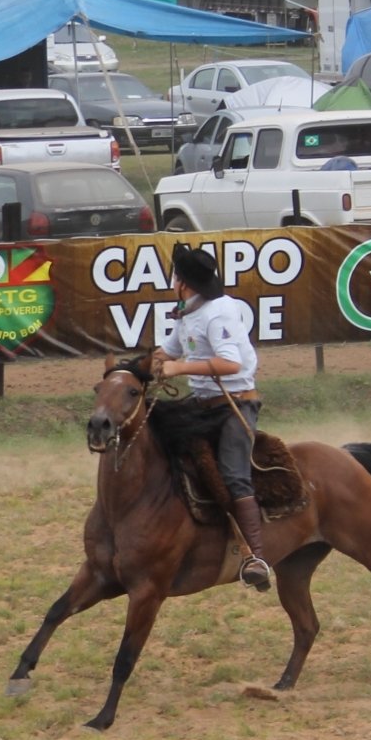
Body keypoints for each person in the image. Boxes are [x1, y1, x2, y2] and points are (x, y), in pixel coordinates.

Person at [155, 243, 268, 589]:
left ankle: (255, 556)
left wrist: (178, 368)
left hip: (234, 405)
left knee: (234, 474)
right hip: (203, 405)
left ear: (183, 283)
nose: (172, 282)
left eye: (175, 277)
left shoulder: (219, 312)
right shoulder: (190, 313)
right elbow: (167, 352)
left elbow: (230, 362)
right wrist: (138, 368)